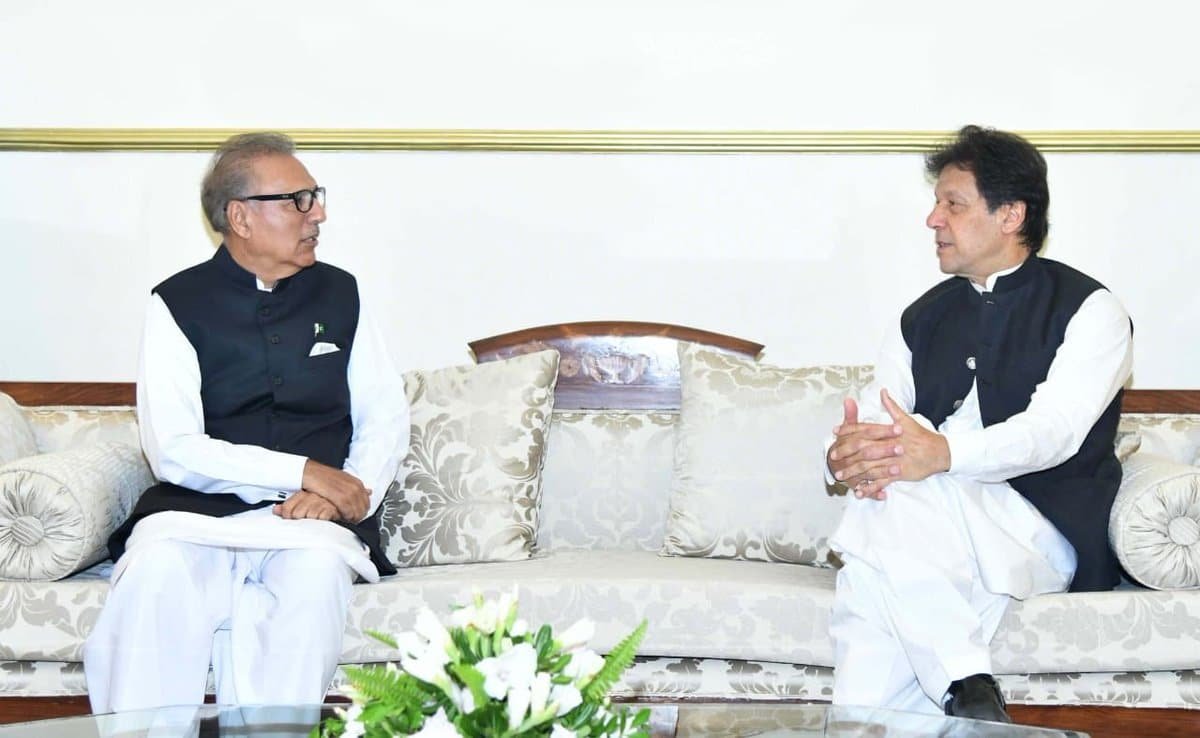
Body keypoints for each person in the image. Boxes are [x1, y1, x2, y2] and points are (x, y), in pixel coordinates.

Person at [82, 132, 409, 713]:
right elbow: (174, 448)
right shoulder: (176, 302)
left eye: (316, 197)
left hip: (311, 524)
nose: (318, 214)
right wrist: (305, 472)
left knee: (313, 580)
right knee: (155, 579)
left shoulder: (342, 293)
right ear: (240, 217)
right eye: (298, 200)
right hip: (193, 516)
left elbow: (383, 414)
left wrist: (343, 493)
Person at [824, 125, 1133, 722]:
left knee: (892, 512)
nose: (933, 219)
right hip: (935, 533)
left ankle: (947, 688)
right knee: (879, 550)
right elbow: (876, 411)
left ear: (1011, 215)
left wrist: (940, 455)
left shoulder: (1091, 310)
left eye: (953, 204)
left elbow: (1053, 432)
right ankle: (964, 692)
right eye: (937, 203)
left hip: (1038, 529)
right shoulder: (920, 317)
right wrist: (846, 455)